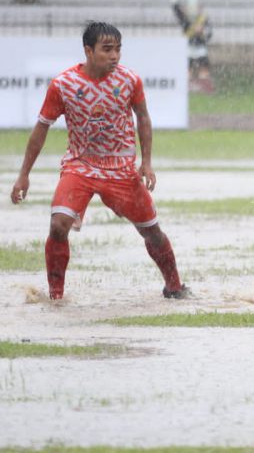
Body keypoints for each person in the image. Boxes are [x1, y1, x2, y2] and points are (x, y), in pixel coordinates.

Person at [9, 22, 190, 301]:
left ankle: (175, 287)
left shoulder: (130, 80)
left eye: (118, 49)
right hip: (80, 165)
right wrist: (24, 175)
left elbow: (143, 117)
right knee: (58, 225)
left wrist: (147, 162)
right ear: (88, 51)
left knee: (152, 232)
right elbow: (42, 126)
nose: (115, 56)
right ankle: (56, 297)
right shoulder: (64, 84)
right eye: (107, 49)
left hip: (120, 168)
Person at [169, 0, 214, 93]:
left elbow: (209, 33)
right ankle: (186, 88)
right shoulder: (185, 19)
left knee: (204, 68)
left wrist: (202, 31)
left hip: (200, 47)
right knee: (187, 69)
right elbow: (176, 9)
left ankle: (203, 88)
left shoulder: (203, 19)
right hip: (188, 47)